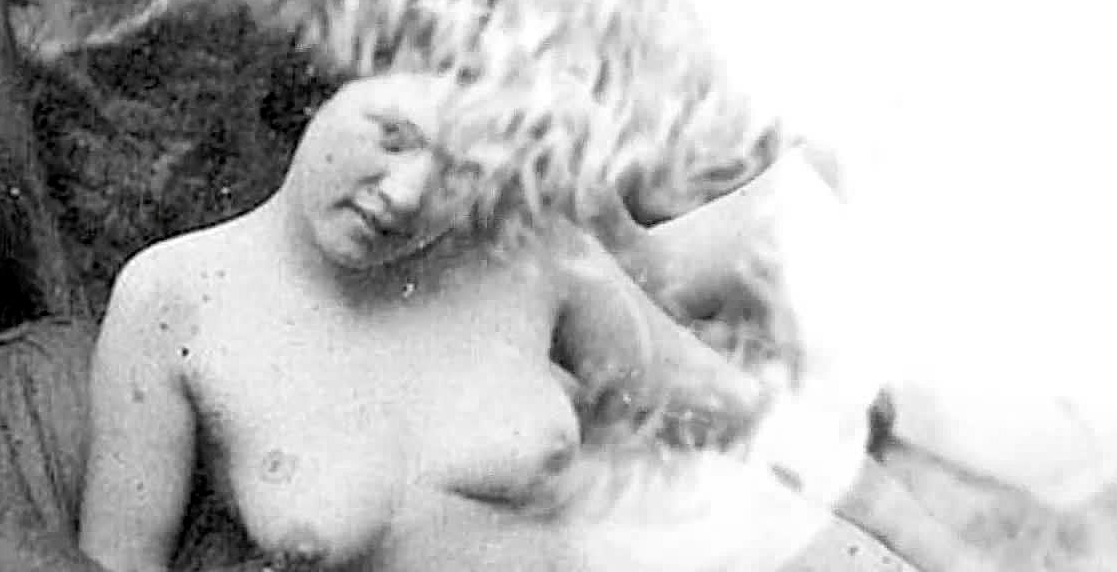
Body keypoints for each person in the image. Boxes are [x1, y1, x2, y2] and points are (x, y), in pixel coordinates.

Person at [77, 71, 929, 572]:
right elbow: (116, 563)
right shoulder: (172, 299)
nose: (404, 196)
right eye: (391, 134)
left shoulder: (523, 255)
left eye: (461, 173)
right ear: (318, 94)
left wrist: (952, 558)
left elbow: (750, 421)